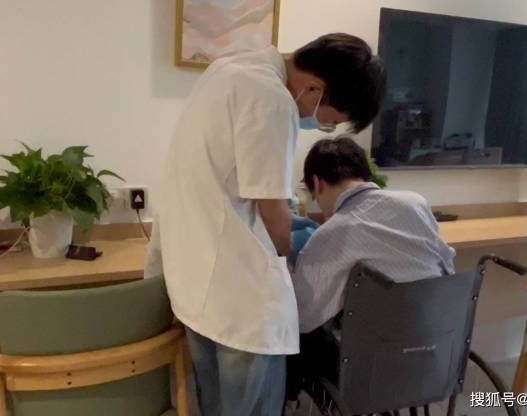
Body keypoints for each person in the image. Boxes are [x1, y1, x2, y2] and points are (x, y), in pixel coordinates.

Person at [151, 34, 386, 416]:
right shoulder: (272, 99)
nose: (321, 126)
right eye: (330, 121)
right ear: (314, 89)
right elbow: (273, 212)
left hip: (196, 288)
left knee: (215, 406)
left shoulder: (228, 69)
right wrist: (290, 254)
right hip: (240, 301)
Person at [286, 136, 456, 402]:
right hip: (435, 349)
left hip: (371, 365)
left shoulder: (333, 232)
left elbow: (306, 316)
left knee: (294, 333)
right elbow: (446, 263)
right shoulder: (416, 202)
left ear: (317, 183)